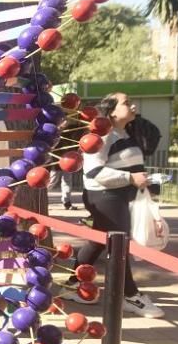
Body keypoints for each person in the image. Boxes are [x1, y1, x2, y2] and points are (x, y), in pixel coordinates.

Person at [63, 93, 165, 318]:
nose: (133, 106)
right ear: (111, 111)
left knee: (98, 242)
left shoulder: (125, 133)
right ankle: (129, 296)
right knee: (120, 246)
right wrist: (130, 178)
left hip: (117, 198)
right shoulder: (101, 135)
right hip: (104, 197)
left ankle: (73, 285)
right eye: (126, 103)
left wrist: (141, 180)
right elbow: (94, 172)